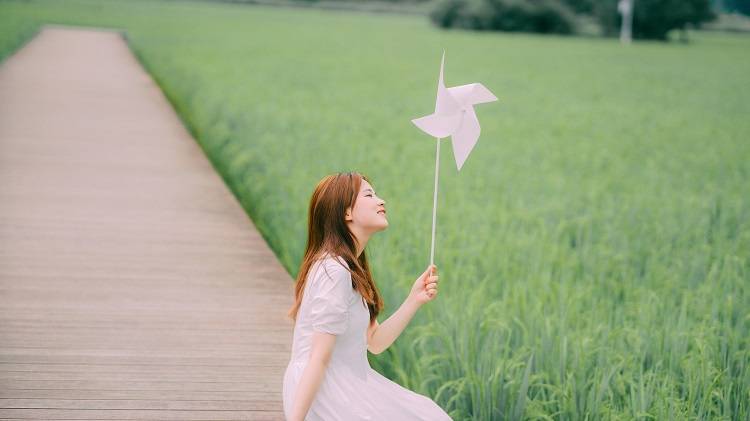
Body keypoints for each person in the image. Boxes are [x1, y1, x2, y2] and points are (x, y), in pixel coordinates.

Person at [283, 171, 452, 420]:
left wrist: (414, 299)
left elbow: (375, 342)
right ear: (346, 213)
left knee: (427, 414)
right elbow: (319, 357)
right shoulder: (333, 270)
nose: (381, 201)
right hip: (326, 390)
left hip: (350, 381)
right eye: (369, 194)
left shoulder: (349, 269)